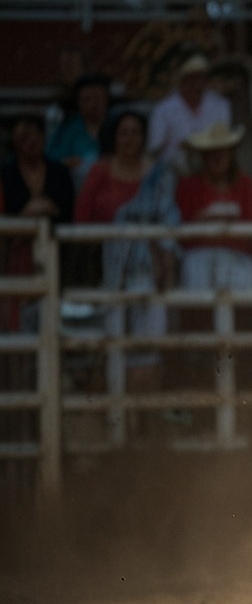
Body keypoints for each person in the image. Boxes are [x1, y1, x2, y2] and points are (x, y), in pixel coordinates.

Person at [74, 111, 179, 394]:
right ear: (114, 137)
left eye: (136, 132)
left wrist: (165, 268)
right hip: (110, 271)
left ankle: (145, 418)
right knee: (114, 344)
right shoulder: (98, 171)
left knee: (150, 345)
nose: (130, 139)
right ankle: (116, 419)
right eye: (124, 133)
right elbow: (82, 221)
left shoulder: (158, 173)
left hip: (150, 270)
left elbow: (169, 222)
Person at [174, 122, 252, 290]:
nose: (217, 157)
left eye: (223, 151)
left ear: (231, 153)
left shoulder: (247, 185)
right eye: (211, 152)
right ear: (203, 155)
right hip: (198, 257)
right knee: (195, 272)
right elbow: (179, 234)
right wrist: (200, 223)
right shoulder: (188, 186)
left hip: (237, 257)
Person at [146, 55, 231, 173]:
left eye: (200, 78)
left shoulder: (220, 105)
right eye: (191, 79)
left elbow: (225, 141)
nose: (196, 84)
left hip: (211, 172)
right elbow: (154, 150)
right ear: (182, 80)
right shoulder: (162, 110)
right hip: (172, 173)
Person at [2, 117, 75, 225]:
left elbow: (68, 212)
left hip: (56, 236)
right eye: (25, 137)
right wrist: (27, 214)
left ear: (44, 137)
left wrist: (48, 209)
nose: (32, 141)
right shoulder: (5, 174)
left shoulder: (60, 172)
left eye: (36, 136)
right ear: (15, 142)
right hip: (14, 236)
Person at [46, 74, 111, 187]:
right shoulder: (66, 129)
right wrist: (66, 162)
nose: (93, 104)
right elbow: (49, 161)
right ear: (79, 102)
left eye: (97, 98)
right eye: (87, 99)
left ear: (106, 100)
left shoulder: (117, 125)